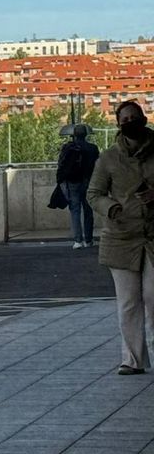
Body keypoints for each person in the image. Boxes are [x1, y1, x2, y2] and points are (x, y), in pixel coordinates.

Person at [87, 101, 154, 374]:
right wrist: (111, 208)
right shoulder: (108, 158)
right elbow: (94, 193)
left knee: (153, 298)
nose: (130, 122)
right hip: (121, 237)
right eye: (124, 119)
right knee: (128, 302)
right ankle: (132, 360)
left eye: (134, 117)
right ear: (118, 124)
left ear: (144, 118)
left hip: (152, 236)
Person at [56, 123, 100, 248]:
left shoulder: (68, 147)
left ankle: (78, 241)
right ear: (86, 134)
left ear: (74, 135)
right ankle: (89, 240)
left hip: (73, 183)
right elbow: (98, 166)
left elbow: (61, 164)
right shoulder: (93, 148)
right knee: (88, 211)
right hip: (89, 182)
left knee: (75, 211)